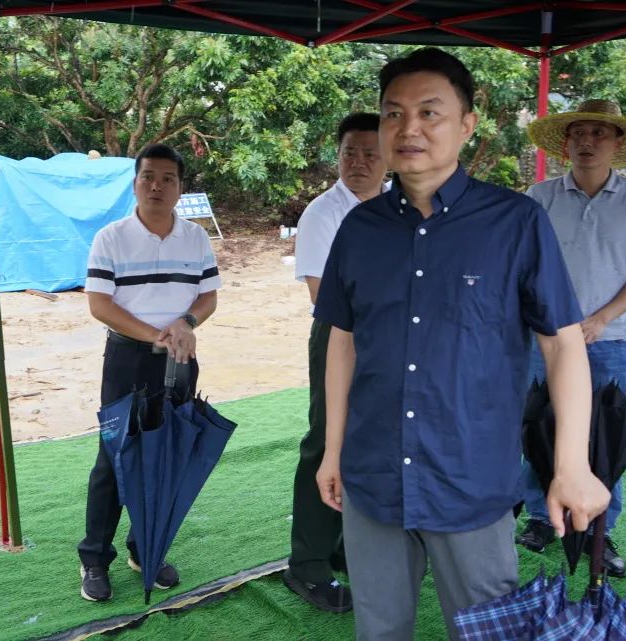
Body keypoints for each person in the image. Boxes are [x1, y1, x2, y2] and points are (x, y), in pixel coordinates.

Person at [313, 48, 611, 641]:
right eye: (393, 114)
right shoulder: (360, 228)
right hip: (373, 475)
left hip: (469, 479)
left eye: (430, 112)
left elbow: (562, 346)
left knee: (487, 631)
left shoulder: (515, 222)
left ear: (467, 124)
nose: (409, 129)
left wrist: (572, 464)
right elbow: (342, 343)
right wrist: (332, 449)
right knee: (379, 629)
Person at [516, 99, 626, 578]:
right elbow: (522, 266)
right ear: (566, 143)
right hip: (543, 339)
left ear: (618, 143)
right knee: (539, 426)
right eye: (579, 133)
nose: (587, 142)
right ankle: (541, 517)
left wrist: (600, 320)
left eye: (599, 133)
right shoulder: (539, 197)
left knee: (606, 436)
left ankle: (602, 526)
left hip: (608, 340)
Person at [78, 143, 221, 602]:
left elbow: (208, 297)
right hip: (128, 359)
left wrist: (186, 323)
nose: (157, 186)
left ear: (180, 187)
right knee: (114, 457)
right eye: (148, 177)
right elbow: (100, 305)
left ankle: (146, 549)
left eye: (167, 179)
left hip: (179, 359)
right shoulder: (111, 237)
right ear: (135, 182)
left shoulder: (195, 238)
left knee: (166, 454)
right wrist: (155, 335)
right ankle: (94, 559)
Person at [284, 112, 388, 613]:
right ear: (337, 155)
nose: (359, 163)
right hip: (339, 336)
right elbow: (323, 295)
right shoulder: (323, 213)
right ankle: (307, 565)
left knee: (372, 441)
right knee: (327, 442)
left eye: (370, 153)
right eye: (350, 152)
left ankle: (346, 545)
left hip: (389, 338)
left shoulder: (399, 204)